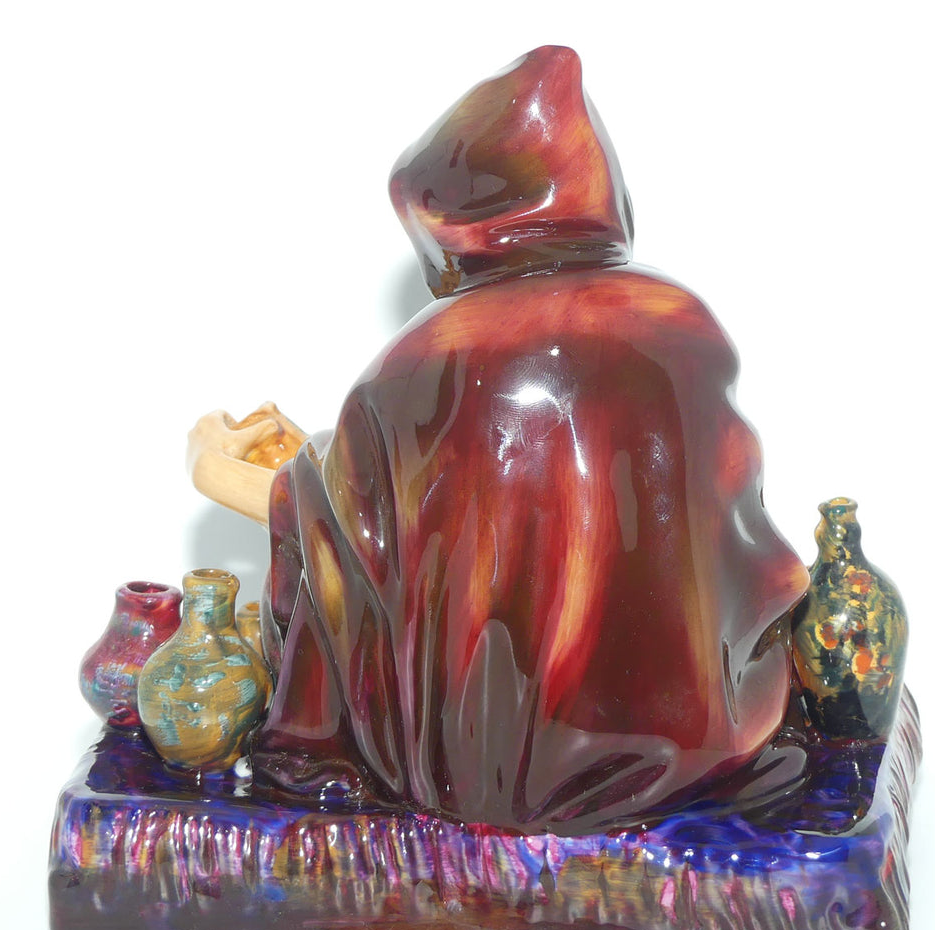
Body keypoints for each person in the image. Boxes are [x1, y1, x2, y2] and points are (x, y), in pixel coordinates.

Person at [186, 46, 809, 834]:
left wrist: (264, 468)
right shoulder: (678, 325)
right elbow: (738, 528)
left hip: (461, 771)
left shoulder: (410, 366)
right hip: (700, 741)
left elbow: (357, 532)